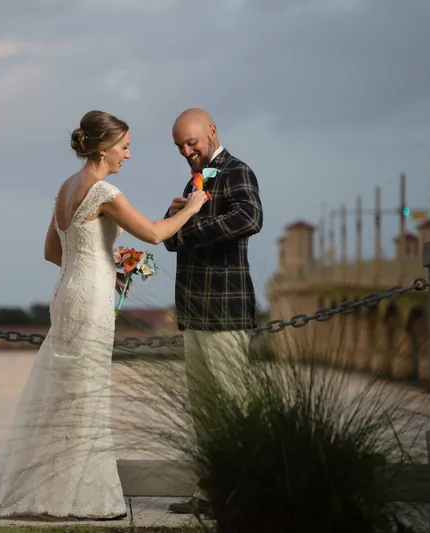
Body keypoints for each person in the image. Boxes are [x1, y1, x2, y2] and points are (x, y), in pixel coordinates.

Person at [0, 110, 208, 521]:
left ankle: (56, 490)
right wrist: (193, 206)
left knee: (66, 392)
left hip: (68, 293)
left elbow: (52, 252)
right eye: (125, 147)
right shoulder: (105, 193)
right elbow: (157, 234)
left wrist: (104, 267)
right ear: (105, 148)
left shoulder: (65, 188)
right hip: (90, 301)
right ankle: (86, 498)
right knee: (87, 393)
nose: (129, 154)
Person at [162, 108, 263, 516]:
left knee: (234, 405)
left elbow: (250, 217)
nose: (187, 151)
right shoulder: (194, 181)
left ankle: (246, 497)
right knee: (204, 409)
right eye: (180, 147)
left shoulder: (239, 170)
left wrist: (187, 226)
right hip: (194, 311)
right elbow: (169, 240)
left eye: (192, 142)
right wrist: (176, 217)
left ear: (212, 132)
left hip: (226, 312)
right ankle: (211, 493)